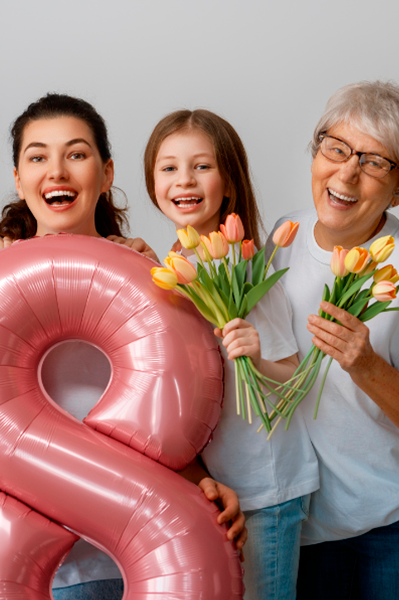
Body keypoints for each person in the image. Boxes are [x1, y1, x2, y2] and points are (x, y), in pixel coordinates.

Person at [0, 93, 246, 600]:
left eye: (76, 154)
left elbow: (168, 417)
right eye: (38, 157)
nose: (56, 171)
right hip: (13, 564)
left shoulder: (155, 282)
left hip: (142, 560)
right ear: (18, 177)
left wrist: (198, 481)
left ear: (107, 172)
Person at [143, 108, 319, 599]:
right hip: (212, 487)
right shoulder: (171, 270)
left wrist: (256, 355)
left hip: (266, 490)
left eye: (202, 166)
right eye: (169, 167)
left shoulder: (245, 270)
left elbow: (292, 376)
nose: (184, 180)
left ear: (230, 183)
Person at [269, 80, 399, 599]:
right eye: (336, 148)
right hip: (296, 527)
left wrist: (365, 364)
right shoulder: (282, 238)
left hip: (385, 529)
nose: (346, 173)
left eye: (374, 161)